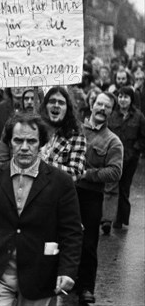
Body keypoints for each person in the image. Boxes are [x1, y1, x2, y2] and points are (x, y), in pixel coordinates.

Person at [0, 113, 83, 305]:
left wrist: (67, 271)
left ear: (41, 143)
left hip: (39, 274)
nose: (24, 147)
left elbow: (72, 232)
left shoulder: (61, 182)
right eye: (18, 140)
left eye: (31, 141)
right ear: (9, 142)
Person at [75, 92, 123, 304]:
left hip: (91, 196)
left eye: (107, 106)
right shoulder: (75, 130)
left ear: (111, 112)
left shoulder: (113, 141)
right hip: (67, 192)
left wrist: (88, 174)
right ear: (91, 105)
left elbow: (115, 172)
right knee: (59, 237)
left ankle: (86, 287)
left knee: (88, 243)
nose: (102, 109)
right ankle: (61, 280)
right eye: (99, 104)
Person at [107, 86, 145, 229]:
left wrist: (135, 150)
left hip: (130, 159)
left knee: (124, 187)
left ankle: (120, 218)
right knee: (110, 186)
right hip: (112, 157)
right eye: (120, 96)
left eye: (126, 97)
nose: (122, 100)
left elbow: (143, 137)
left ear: (131, 99)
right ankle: (107, 218)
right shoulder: (112, 114)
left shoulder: (139, 116)